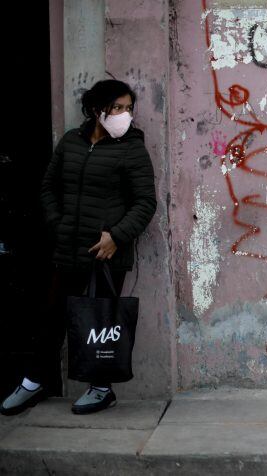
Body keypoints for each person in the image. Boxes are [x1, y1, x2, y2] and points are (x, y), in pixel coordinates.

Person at [1, 79, 156, 416]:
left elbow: (145, 203)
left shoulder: (132, 148)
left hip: (107, 254)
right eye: (117, 107)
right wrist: (59, 225)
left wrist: (116, 236)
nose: (124, 115)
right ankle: (33, 382)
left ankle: (102, 389)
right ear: (97, 109)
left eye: (128, 108)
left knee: (101, 323)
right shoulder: (72, 142)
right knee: (52, 318)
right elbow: (48, 188)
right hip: (68, 249)